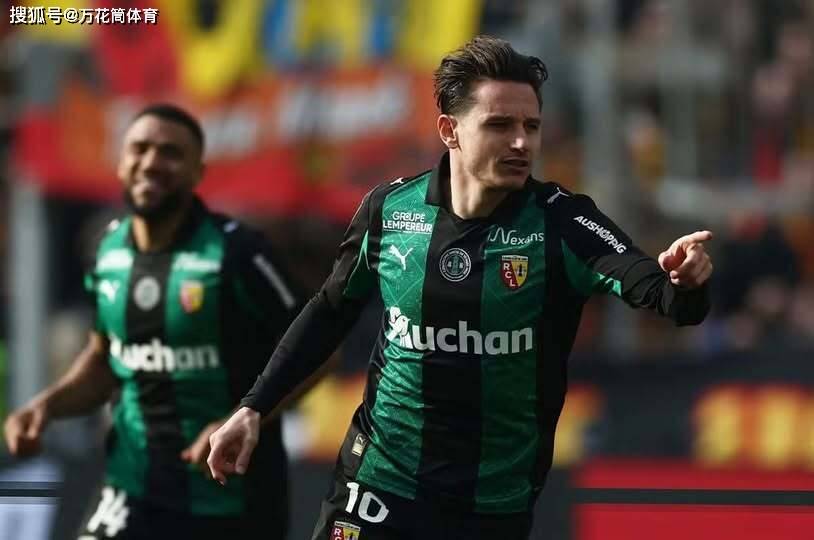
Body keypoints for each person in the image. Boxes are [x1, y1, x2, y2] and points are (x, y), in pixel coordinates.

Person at [208, 36, 714, 540]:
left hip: (490, 506)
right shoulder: (390, 210)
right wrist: (254, 406)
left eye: (531, 126)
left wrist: (684, 279)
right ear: (450, 130)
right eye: (500, 125)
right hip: (378, 483)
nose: (521, 142)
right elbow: (329, 311)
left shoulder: (562, 223)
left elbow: (664, 296)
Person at [4, 104, 299, 540]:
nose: (151, 162)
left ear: (198, 173)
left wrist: (243, 415)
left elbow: (316, 352)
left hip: (229, 495)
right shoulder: (107, 249)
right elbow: (105, 359)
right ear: (121, 162)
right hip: (132, 484)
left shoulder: (238, 252)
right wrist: (47, 406)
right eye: (139, 149)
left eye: (170, 153)